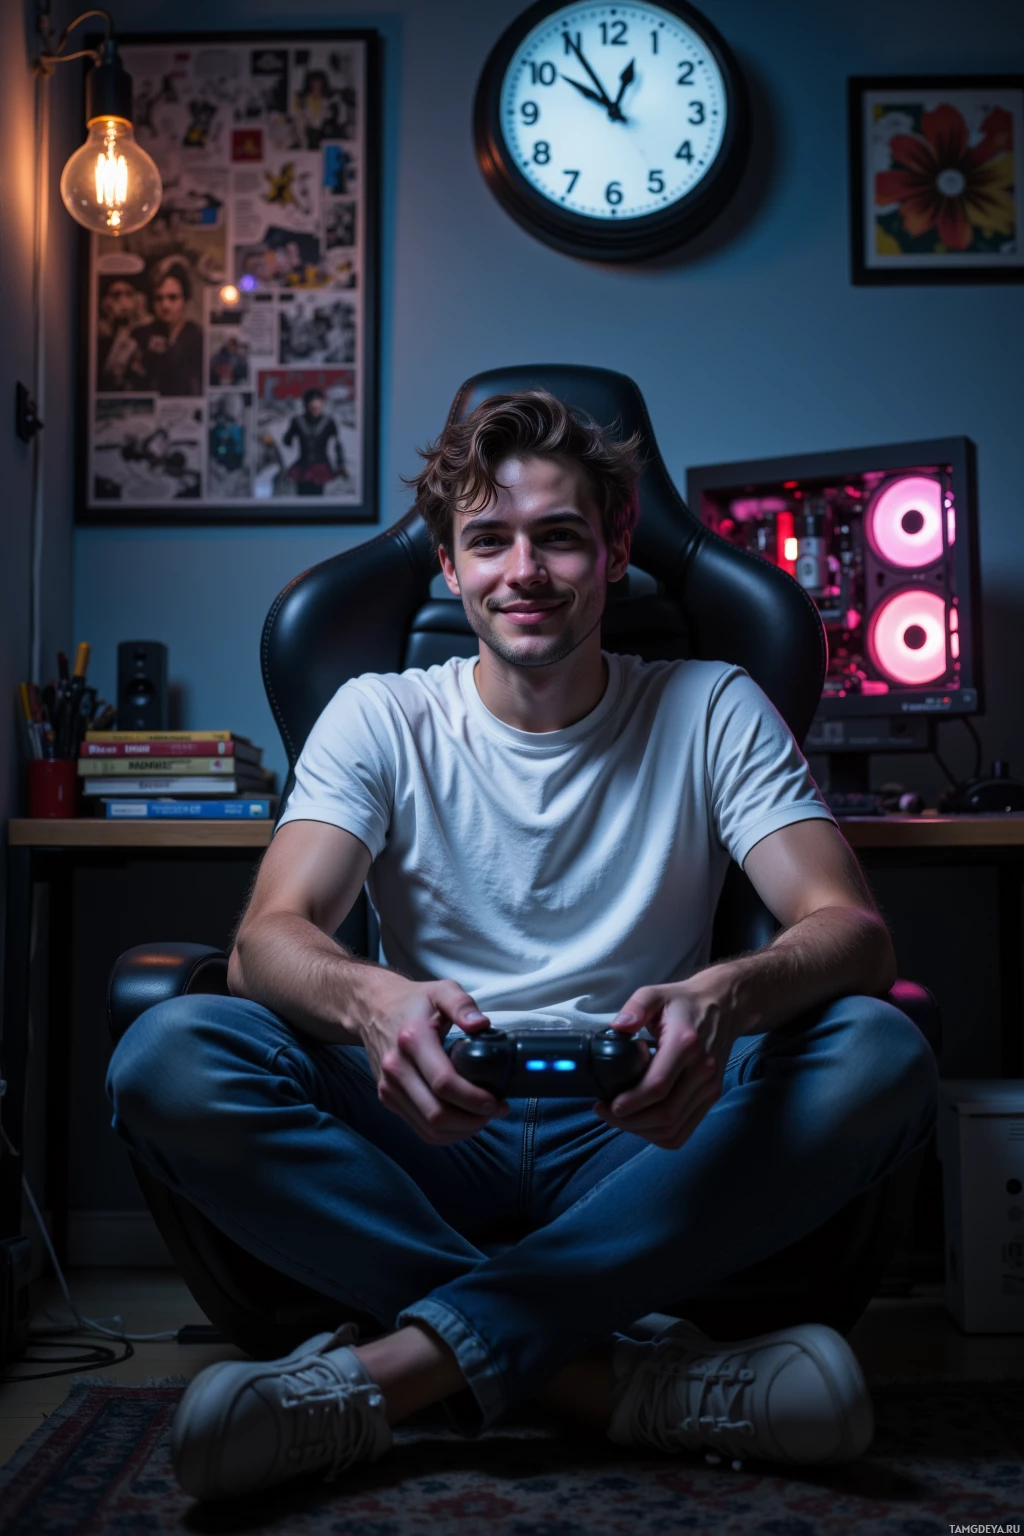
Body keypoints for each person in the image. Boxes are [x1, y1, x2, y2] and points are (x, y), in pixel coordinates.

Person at [106, 390, 938, 1502]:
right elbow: (267, 942)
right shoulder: (380, 713)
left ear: (615, 547)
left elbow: (852, 932)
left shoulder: (709, 705)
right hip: (429, 1121)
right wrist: (373, 1004)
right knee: (169, 1052)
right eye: (488, 541)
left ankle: (390, 1376)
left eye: (555, 536)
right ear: (448, 568)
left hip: (644, 1131)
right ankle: (630, 1387)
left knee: (876, 1051)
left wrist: (724, 998)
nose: (523, 572)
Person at [128, 260, 203, 396]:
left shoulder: (197, 337)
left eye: (172, 298)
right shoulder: (140, 334)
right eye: (159, 298)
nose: (165, 305)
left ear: (185, 301)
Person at [282, 385, 345, 493]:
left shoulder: (328, 422)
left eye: (318, 403)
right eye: (312, 403)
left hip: (322, 467)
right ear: (306, 405)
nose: (315, 407)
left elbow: (337, 444)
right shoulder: (297, 421)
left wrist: (340, 464)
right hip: (303, 468)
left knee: (319, 496)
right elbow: (287, 441)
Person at [96, 274, 144, 391]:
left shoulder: (143, 333)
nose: (123, 301)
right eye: (116, 295)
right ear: (104, 302)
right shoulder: (98, 335)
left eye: (129, 294)